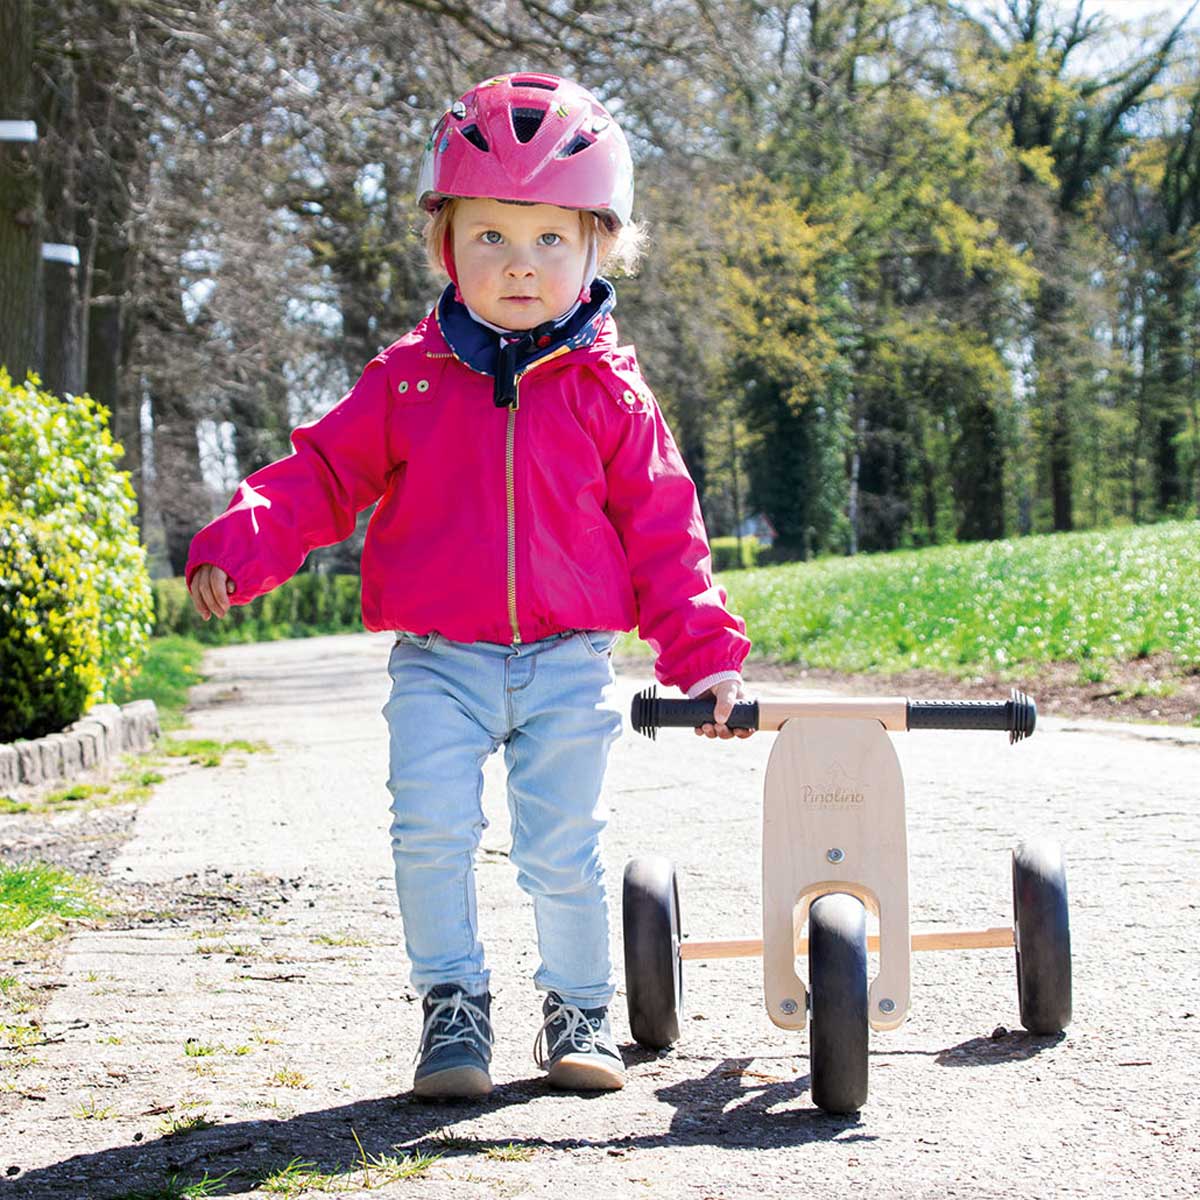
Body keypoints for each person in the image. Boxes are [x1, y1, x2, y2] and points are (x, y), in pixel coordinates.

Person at [186, 72, 752, 1101]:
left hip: (567, 661)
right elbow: (320, 474)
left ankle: (577, 1010)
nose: (520, 265)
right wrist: (246, 539)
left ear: (598, 249)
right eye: (491, 236)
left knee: (560, 846)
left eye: (549, 239)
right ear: (447, 243)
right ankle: (453, 1007)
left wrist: (705, 660)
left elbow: (669, 532)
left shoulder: (612, 395)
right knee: (430, 830)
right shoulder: (405, 378)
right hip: (440, 661)